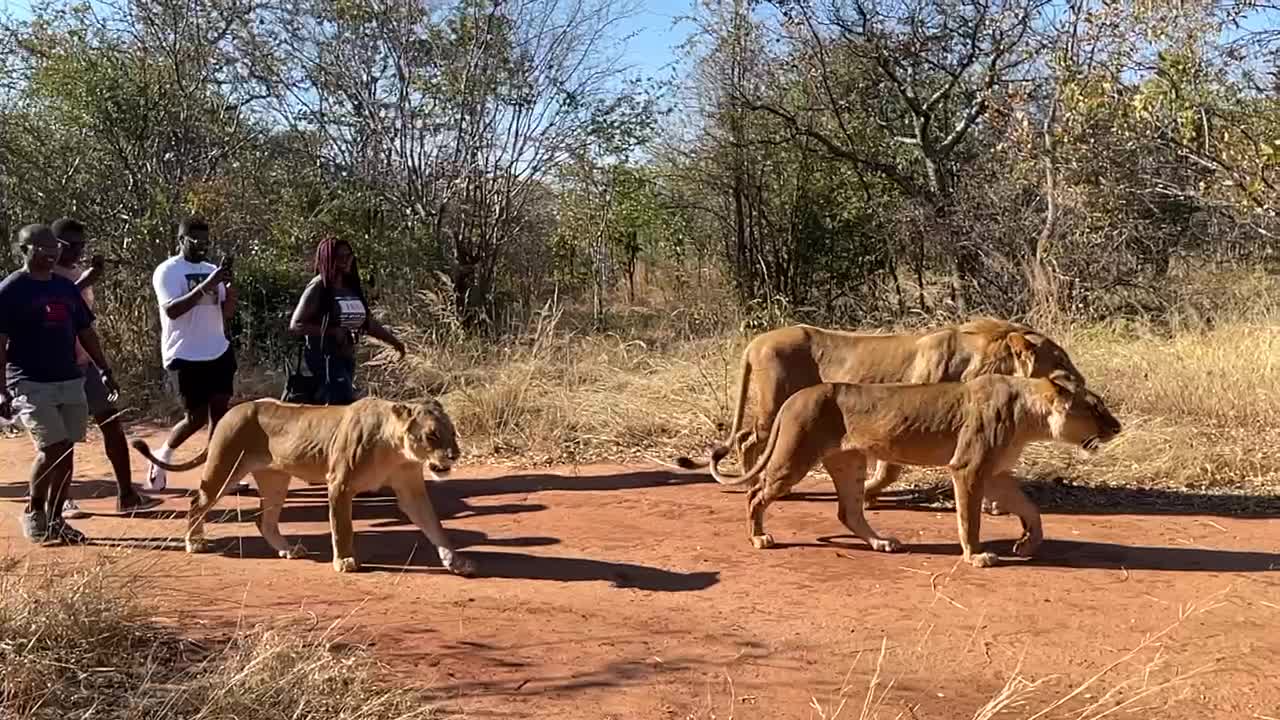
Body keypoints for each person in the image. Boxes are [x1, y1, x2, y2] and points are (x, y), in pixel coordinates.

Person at [0, 223, 121, 543]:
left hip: (68, 377)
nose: (50, 256)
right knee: (51, 446)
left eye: (54, 250)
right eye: (42, 250)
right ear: (24, 251)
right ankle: (34, 512)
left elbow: (85, 331)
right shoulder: (10, 290)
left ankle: (55, 520)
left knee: (66, 450)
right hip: (28, 381)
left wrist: (104, 368)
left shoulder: (66, 288)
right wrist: (1, 389)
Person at [51, 217, 160, 514]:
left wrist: (102, 367)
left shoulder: (75, 273)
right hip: (56, 369)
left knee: (112, 425)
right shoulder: (45, 276)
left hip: (84, 363)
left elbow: (84, 324)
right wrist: (86, 279)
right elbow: (59, 300)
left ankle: (127, 495)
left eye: (81, 245)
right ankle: (62, 502)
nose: (77, 251)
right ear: (53, 245)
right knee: (62, 438)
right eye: (71, 245)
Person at [144, 217, 245, 492]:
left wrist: (230, 293)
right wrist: (209, 284)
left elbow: (224, 312)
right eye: (195, 241)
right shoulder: (167, 271)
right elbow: (173, 311)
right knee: (195, 418)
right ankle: (162, 457)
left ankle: (217, 474)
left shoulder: (212, 269)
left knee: (220, 416)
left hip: (218, 350)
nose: (202, 246)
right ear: (181, 240)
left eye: (206, 241)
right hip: (184, 355)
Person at [287, 237, 405, 406]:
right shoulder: (319, 286)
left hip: (346, 357)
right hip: (324, 358)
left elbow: (367, 323)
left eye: (348, 256)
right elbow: (296, 325)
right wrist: (332, 331)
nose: (345, 260)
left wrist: (394, 342)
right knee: (339, 404)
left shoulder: (350, 286)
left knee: (340, 403)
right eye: (339, 256)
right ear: (327, 258)